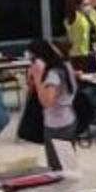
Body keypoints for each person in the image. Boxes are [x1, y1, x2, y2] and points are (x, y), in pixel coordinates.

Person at [27, 39, 78, 171]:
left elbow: (46, 102)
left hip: (57, 125)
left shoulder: (53, 75)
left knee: (57, 168)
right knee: (68, 165)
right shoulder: (66, 66)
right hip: (69, 119)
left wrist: (38, 78)